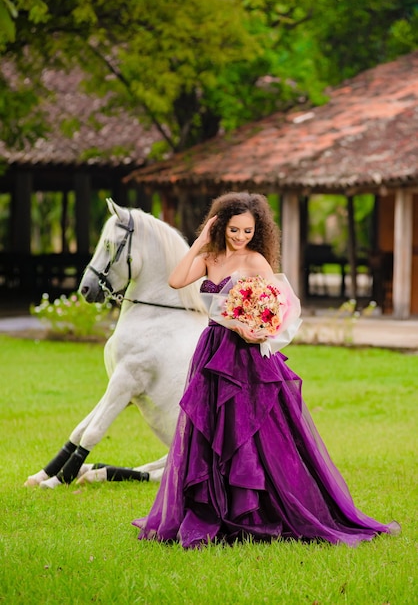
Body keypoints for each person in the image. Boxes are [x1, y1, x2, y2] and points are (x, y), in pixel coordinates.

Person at [133, 192, 399, 548]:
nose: (240, 236)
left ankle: (254, 511)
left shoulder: (256, 260)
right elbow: (176, 281)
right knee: (211, 426)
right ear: (220, 225)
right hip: (212, 349)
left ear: (257, 231)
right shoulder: (210, 257)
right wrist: (199, 242)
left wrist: (254, 328)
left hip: (246, 355)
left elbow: (278, 307)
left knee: (249, 429)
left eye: (247, 230)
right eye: (233, 229)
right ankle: (215, 507)